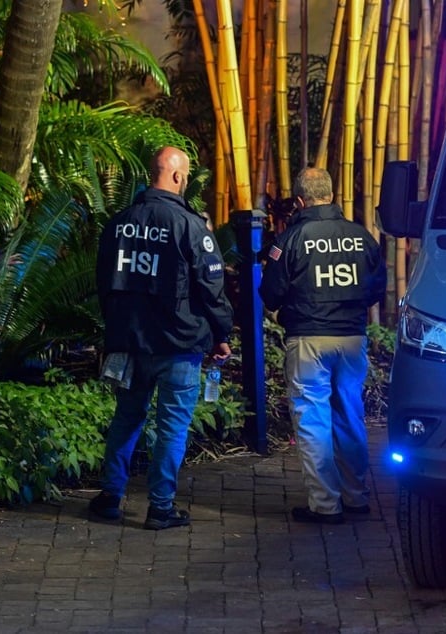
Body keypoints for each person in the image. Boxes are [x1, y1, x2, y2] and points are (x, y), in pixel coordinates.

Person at [91, 146, 234, 530]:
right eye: (185, 176)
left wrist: (117, 328)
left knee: (126, 418)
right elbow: (211, 286)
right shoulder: (189, 225)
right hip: (179, 344)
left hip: (131, 344)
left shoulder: (120, 222)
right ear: (176, 177)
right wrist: (221, 333)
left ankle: (110, 496)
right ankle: (160, 507)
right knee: (172, 425)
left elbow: (104, 281)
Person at [259, 167, 385, 525]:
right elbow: (377, 287)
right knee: (350, 413)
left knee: (313, 419)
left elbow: (271, 293)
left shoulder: (291, 239)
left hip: (308, 338)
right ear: (331, 195)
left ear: (299, 201)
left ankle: (325, 505)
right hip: (351, 337)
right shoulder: (361, 237)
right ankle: (357, 497)